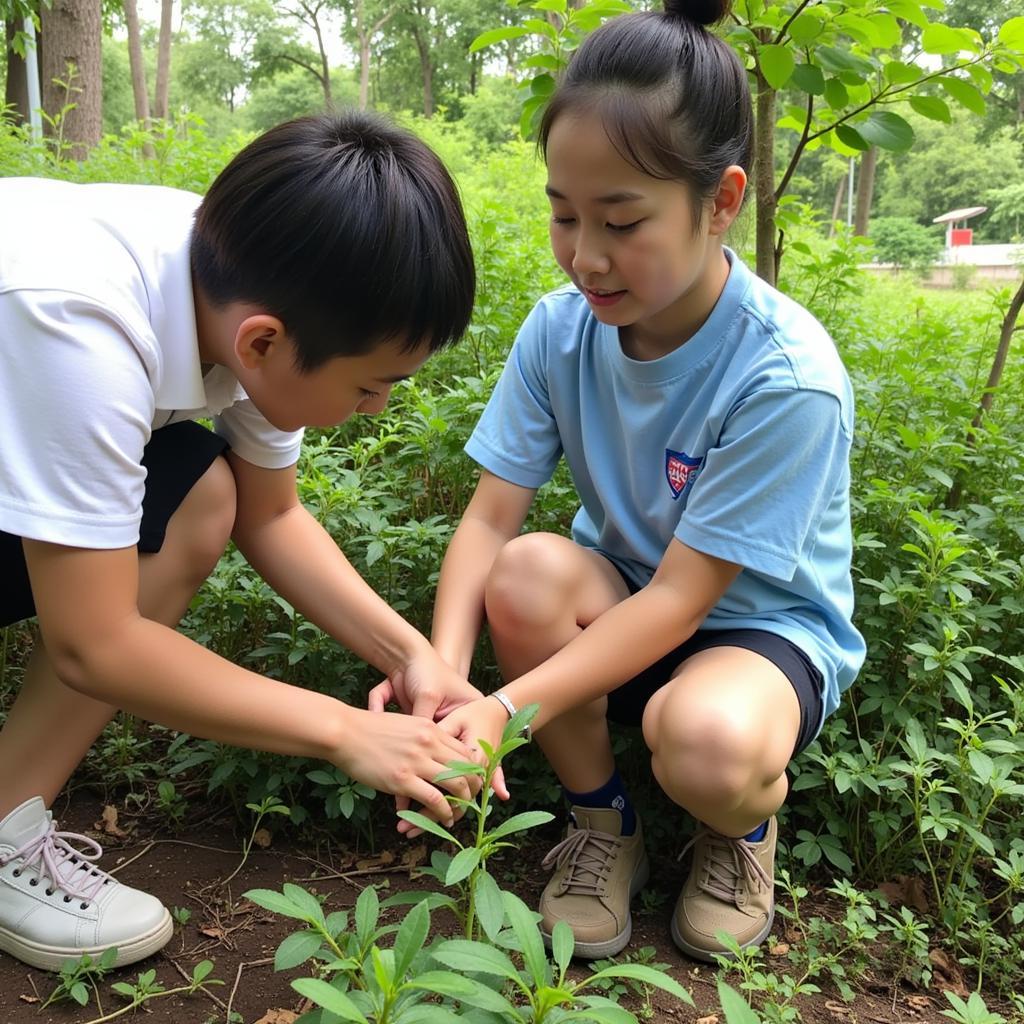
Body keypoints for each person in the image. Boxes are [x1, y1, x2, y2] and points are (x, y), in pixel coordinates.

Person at [410, 0, 866, 963]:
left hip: (757, 631)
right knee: (527, 574)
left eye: (622, 221)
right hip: (619, 594)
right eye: (564, 214)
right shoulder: (560, 328)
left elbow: (680, 601)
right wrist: (446, 676)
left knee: (705, 740)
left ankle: (736, 832)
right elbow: (491, 522)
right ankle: (603, 824)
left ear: (722, 200)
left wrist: (500, 715)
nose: (586, 256)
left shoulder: (787, 377)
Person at [0, 111, 486, 972]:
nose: (377, 409)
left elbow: (272, 515)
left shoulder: (247, 271)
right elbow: (94, 642)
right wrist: (345, 732)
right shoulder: (78, 321)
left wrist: (413, 656)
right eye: (371, 386)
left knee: (200, 495)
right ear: (262, 342)